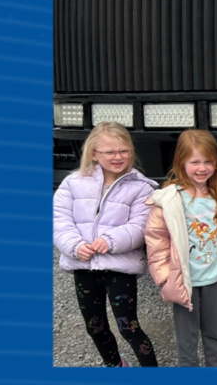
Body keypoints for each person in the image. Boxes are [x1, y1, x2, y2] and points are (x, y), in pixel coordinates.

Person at [53, 123, 159, 366]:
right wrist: (74, 245)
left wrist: (111, 241)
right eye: (109, 152)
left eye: (124, 150)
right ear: (93, 153)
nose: (118, 157)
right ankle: (116, 366)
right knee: (95, 328)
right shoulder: (72, 184)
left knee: (129, 329)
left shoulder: (142, 188)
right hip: (84, 268)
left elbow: (141, 226)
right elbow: (60, 221)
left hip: (120, 270)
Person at [144, 129, 217, 366]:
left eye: (208, 162)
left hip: (215, 278)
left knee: (214, 333)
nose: (202, 168)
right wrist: (164, 279)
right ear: (181, 162)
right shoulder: (169, 200)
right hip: (185, 281)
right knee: (187, 340)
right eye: (195, 162)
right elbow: (157, 242)